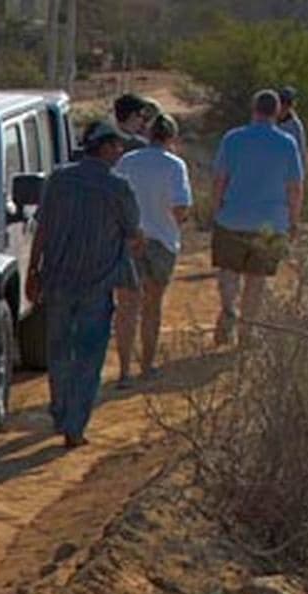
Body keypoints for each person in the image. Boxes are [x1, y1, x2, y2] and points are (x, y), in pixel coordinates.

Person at [26, 120, 143, 448]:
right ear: (105, 148)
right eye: (117, 146)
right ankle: (74, 426)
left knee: (59, 350)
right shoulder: (118, 187)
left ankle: (61, 411)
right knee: (89, 358)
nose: (120, 152)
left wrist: (33, 271)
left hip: (58, 281)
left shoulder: (58, 180)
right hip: (96, 285)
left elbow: (42, 230)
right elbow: (133, 233)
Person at [209, 88, 305, 344]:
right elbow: (294, 187)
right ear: (277, 112)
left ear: (253, 109)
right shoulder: (287, 143)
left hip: (233, 216)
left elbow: (220, 178)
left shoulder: (233, 138)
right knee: (257, 278)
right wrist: (294, 220)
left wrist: (216, 209)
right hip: (271, 222)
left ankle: (229, 309)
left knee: (229, 271)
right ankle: (247, 330)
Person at [112, 112, 191, 384]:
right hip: (161, 242)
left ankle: (123, 371)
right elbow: (180, 207)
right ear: (172, 137)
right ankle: (147, 366)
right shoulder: (175, 166)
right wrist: (177, 219)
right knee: (152, 307)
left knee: (126, 307)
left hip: (129, 241)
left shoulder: (127, 162)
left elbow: (114, 199)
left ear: (148, 135)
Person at [275, 85, 308, 164]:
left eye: (289, 102)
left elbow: (300, 153)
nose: (285, 105)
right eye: (282, 100)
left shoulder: (296, 126)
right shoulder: (267, 119)